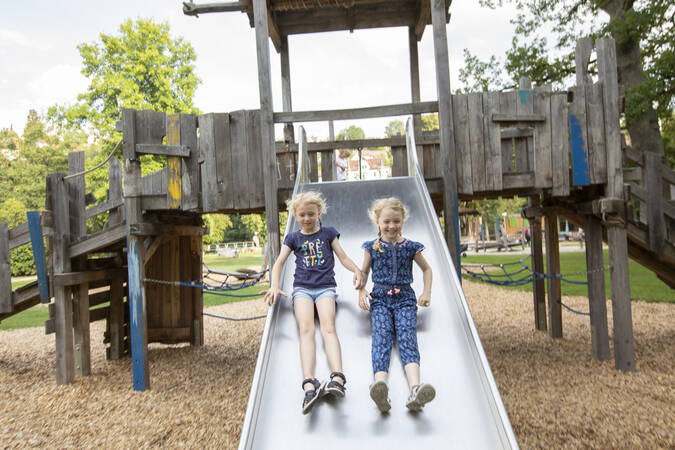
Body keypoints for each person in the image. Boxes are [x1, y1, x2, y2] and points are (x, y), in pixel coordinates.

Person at [265, 191, 364, 414]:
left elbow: (343, 257)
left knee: (328, 327)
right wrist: (274, 284)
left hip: (325, 288)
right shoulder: (293, 238)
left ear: (319, 213)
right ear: (295, 215)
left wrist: (356, 269)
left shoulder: (329, 233)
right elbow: (280, 262)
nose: (307, 218)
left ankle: (337, 377)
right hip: (302, 289)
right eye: (302, 215)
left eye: (311, 214)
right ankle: (309, 383)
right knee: (306, 330)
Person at [358, 197, 435, 413]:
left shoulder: (410, 247)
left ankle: (415, 390)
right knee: (381, 338)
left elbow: (427, 270)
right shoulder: (371, 248)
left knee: (407, 338)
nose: (391, 226)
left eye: (396, 221)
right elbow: (363, 273)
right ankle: (380, 387)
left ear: (403, 221)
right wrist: (361, 290)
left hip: (405, 299)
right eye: (387, 222)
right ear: (378, 222)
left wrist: (426, 291)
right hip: (380, 298)